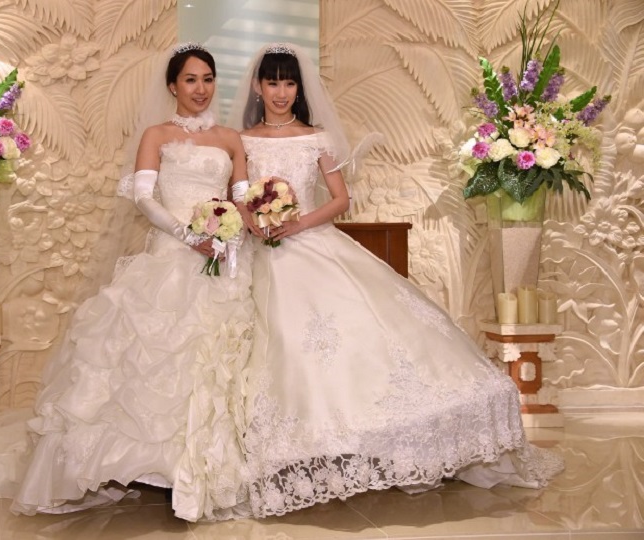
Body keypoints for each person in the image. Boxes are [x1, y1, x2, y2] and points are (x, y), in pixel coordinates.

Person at [227, 42, 564, 518]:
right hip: (262, 252)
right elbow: (239, 194)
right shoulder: (242, 140)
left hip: (311, 242)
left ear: (299, 87)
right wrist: (256, 222)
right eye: (272, 82)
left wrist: (296, 222)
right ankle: (296, 453)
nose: (281, 91)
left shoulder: (317, 136)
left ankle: (384, 445)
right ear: (258, 88)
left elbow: (340, 199)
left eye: (289, 82)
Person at [0, 43, 255, 522]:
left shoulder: (231, 139)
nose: (200, 88)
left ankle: (196, 467)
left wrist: (234, 226)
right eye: (190, 79)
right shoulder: (157, 134)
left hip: (223, 260)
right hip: (171, 254)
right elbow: (145, 197)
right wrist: (191, 236)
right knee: (146, 359)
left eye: (207, 79)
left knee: (217, 362)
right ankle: (147, 465)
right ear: (172, 86)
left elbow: (242, 197)